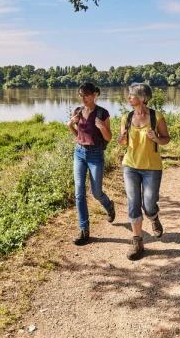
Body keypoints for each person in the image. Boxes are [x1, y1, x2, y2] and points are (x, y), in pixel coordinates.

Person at [117, 83, 170, 260]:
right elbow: (124, 144)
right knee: (133, 202)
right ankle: (137, 241)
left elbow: (166, 139)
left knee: (148, 204)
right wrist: (121, 140)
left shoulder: (156, 117)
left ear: (142, 97)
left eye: (131, 95)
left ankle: (153, 217)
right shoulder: (126, 117)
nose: (128, 97)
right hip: (130, 166)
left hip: (152, 168)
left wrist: (156, 138)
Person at [68, 82, 115, 245]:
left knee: (96, 192)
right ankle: (84, 230)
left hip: (96, 155)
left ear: (94, 94)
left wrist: (102, 127)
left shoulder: (102, 113)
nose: (83, 98)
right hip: (79, 153)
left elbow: (109, 138)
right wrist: (70, 125)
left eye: (86, 95)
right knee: (79, 193)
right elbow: (78, 136)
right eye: (80, 95)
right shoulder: (78, 111)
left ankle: (109, 205)